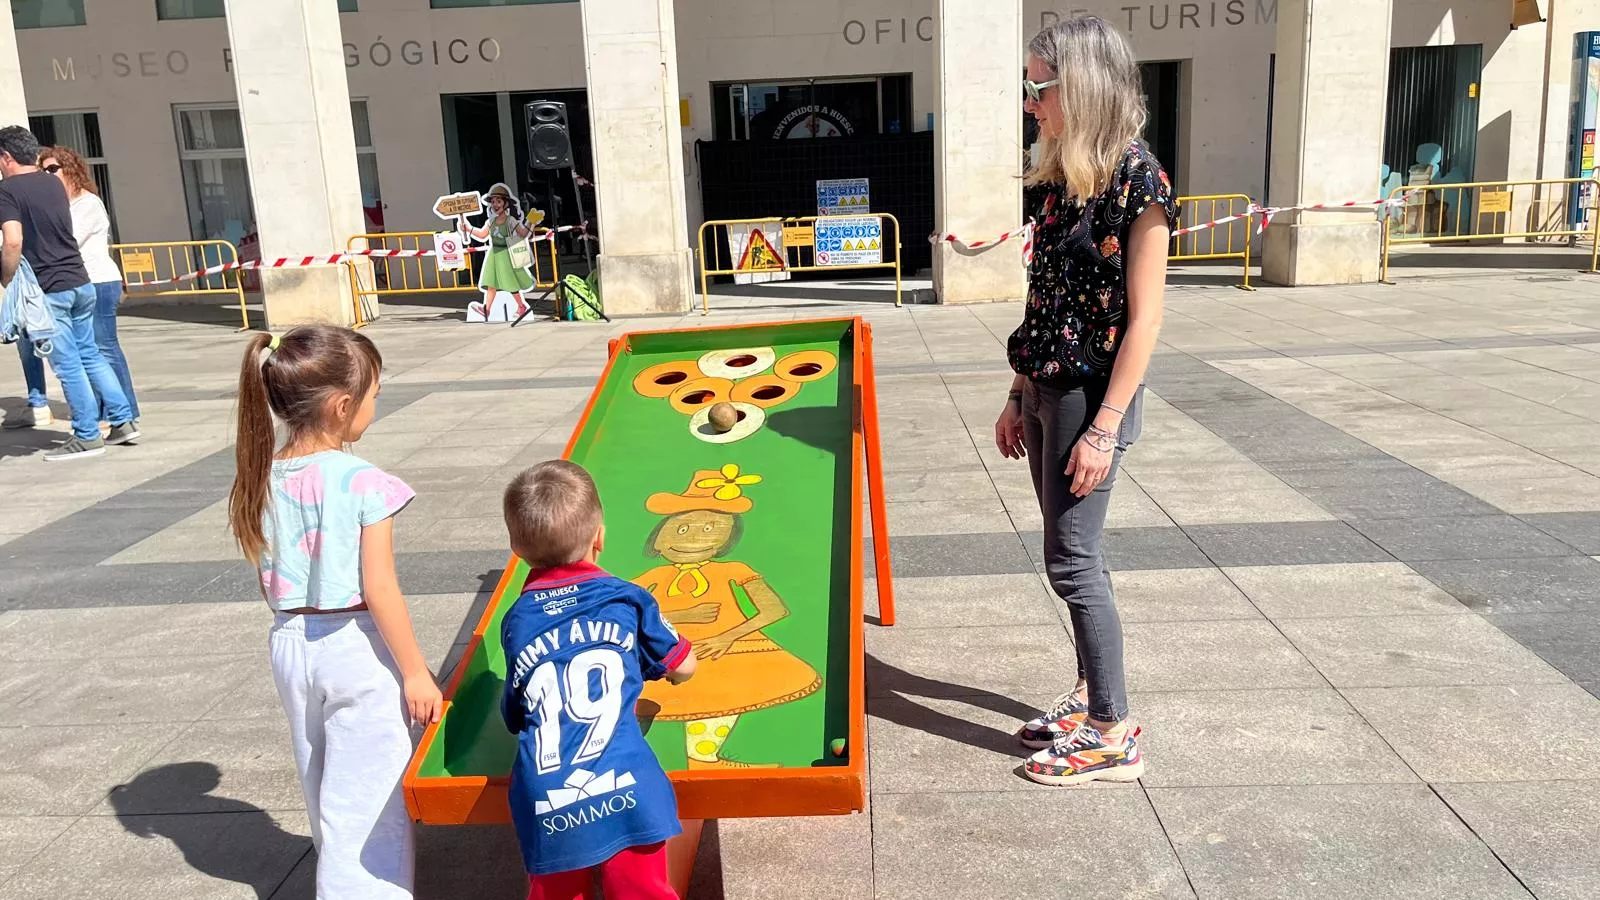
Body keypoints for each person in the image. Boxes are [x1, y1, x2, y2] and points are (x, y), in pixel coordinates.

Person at [996, 16, 1176, 786]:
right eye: (1028, 88)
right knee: (1063, 553)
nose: (1030, 102)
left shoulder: (1140, 181)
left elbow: (1147, 320)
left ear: (1083, 86)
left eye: (1038, 87)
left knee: (1074, 561)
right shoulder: (1063, 177)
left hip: (1090, 401)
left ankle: (1113, 730)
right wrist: (1016, 392)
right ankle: (1088, 693)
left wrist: (1102, 430)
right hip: (1045, 387)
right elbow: (1046, 299)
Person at [227, 324, 442, 899]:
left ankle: (339, 875)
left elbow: (268, 576)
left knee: (319, 781)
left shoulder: (260, 476)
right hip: (355, 646)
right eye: (374, 394)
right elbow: (380, 587)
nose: (375, 405)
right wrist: (417, 671)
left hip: (290, 641)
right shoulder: (364, 481)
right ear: (342, 405)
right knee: (369, 801)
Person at [500, 459, 696, 900]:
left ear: (516, 548)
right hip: (626, 783)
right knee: (643, 891)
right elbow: (683, 665)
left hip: (548, 795)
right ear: (599, 537)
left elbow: (515, 715)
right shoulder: (627, 597)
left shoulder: (517, 621)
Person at [0, 125, 136, 459]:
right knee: (89, 353)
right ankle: (123, 421)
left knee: (68, 364)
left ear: (6, 158)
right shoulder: (53, 183)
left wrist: (7, 276)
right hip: (79, 280)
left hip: (49, 288)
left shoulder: (7, 191)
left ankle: (87, 435)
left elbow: (13, 240)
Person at [40, 144, 139, 427]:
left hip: (98, 280)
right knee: (86, 349)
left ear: (70, 169)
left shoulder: (87, 203)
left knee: (103, 346)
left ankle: (123, 411)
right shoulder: (62, 204)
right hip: (78, 281)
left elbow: (67, 239)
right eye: (42, 171)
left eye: (52, 169)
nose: (47, 175)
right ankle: (100, 408)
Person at [460, 183, 536, 321]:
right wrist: (469, 229)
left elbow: (523, 233)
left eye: (498, 201)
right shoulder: (491, 221)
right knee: (491, 283)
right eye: (493, 202)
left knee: (511, 283)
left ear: (505, 203)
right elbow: (483, 235)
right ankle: (487, 310)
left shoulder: (510, 220)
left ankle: (521, 306)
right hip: (494, 255)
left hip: (506, 255)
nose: (495, 204)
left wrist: (531, 222)